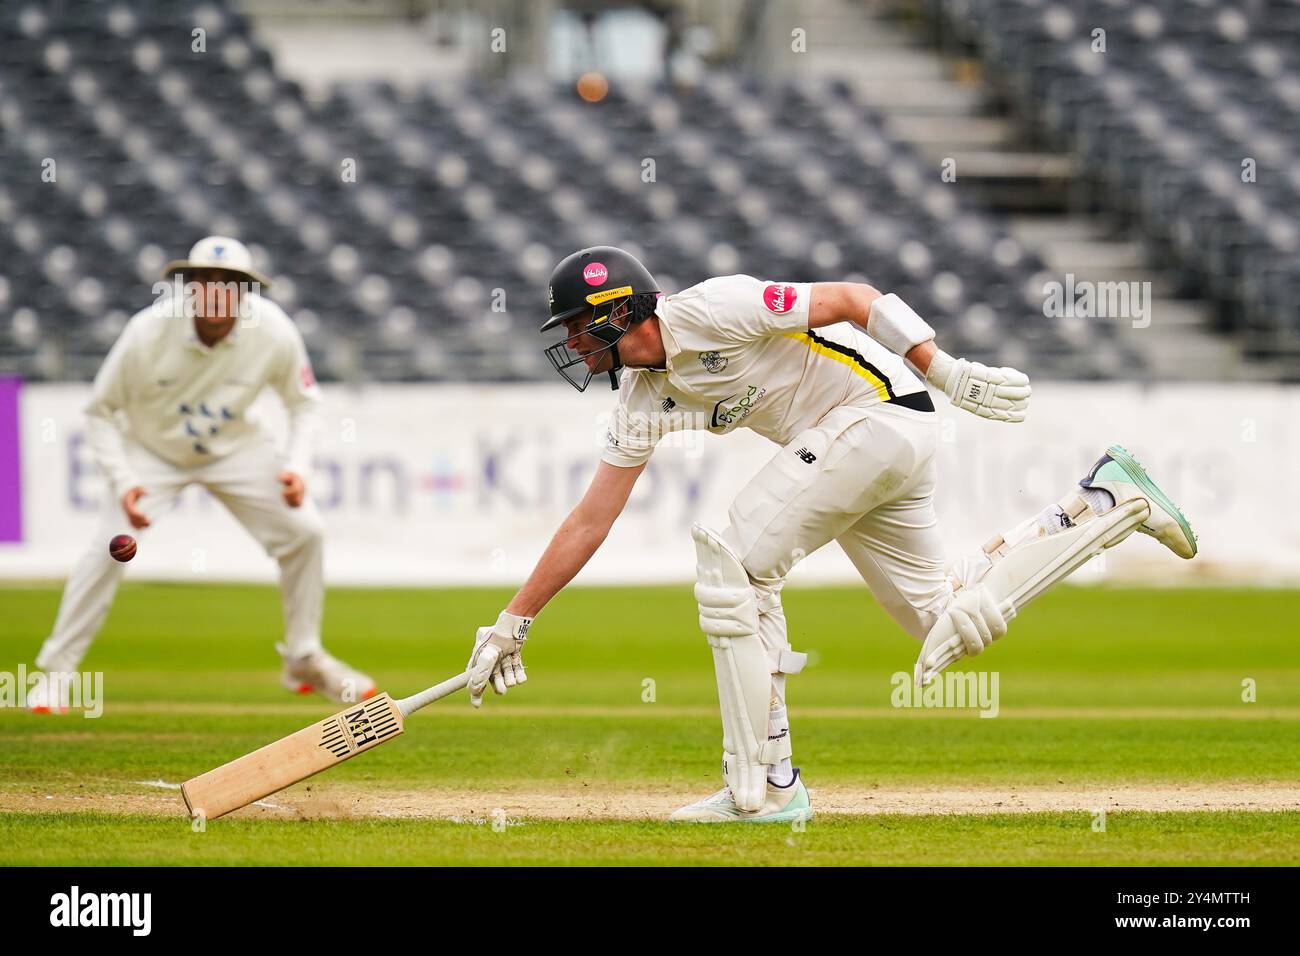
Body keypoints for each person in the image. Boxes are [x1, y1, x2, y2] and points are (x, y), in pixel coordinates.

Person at [463, 245, 1196, 822]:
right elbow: (593, 517)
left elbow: (852, 299)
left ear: (619, 313)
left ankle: (765, 787)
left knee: (737, 565)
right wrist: (513, 620)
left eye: (576, 328)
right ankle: (1102, 500)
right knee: (942, 614)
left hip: (880, 412)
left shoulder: (716, 307)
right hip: (862, 445)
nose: (573, 346)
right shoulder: (643, 399)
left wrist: (944, 369)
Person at [28, 236, 374, 712]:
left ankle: (302, 658)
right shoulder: (147, 331)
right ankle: (56, 674)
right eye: (204, 280)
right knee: (110, 550)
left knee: (305, 532)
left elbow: (304, 405)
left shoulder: (273, 331)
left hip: (235, 446)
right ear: (187, 287)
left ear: (246, 292)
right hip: (152, 450)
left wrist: (297, 467)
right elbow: (99, 411)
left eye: (229, 283)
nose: (215, 291)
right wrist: (126, 481)